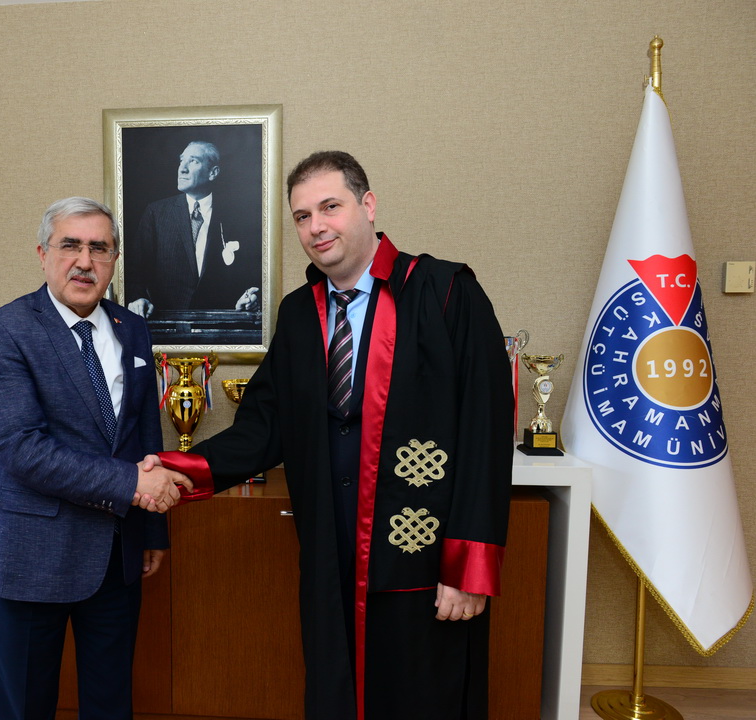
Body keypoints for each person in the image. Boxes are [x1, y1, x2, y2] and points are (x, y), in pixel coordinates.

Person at [158, 151, 513, 719]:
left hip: (418, 555)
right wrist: (177, 468)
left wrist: (468, 567)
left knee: (425, 696)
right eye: (302, 216)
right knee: (337, 693)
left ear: (368, 205)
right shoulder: (300, 313)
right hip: (330, 551)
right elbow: (263, 426)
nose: (316, 226)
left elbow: (485, 433)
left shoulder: (446, 292)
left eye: (330, 207)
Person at [0, 196, 191, 720]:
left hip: (116, 554)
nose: (84, 261)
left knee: (110, 702)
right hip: (31, 555)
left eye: (99, 248)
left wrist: (152, 530)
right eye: (70, 245)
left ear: (114, 260)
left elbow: (143, 432)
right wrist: (132, 485)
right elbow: (22, 449)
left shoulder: (132, 328)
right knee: (24, 706)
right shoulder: (3, 329)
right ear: (43, 254)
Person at [126, 141, 260, 318]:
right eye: (181, 161)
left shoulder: (237, 216)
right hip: (166, 324)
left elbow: (251, 273)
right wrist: (139, 298)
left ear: (213, 173)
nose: (182, 169)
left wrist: (248, 299)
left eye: (193, 161)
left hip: (221, 323)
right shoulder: (156, 213)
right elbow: (136, 271)